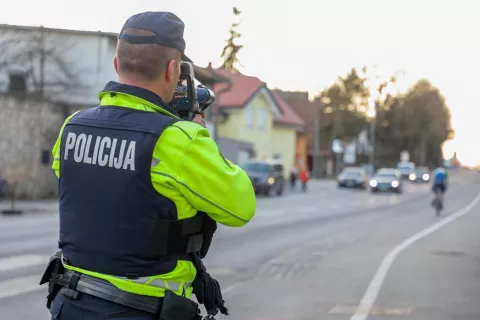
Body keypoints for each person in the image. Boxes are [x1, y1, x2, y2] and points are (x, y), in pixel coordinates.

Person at [39, 11, 256, 320]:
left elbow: (101, 185)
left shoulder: (73, 126)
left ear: (117, 64)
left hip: (72, 303)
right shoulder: (180, 139)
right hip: (142, 310)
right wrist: (195, 131)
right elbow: (241, 207)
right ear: (172, 69)